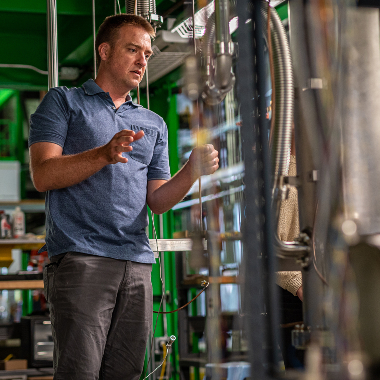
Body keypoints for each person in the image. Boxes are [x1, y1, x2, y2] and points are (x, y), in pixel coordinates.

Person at [28, 14, 219, 380]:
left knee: (127, 373)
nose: (142, 61)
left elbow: (159, 201)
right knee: (80, 373)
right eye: (133, 49)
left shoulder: (153, 122)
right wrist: (102, 154)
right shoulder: (64, 102)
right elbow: (43, 174)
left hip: (137, 263)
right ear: (104, 51)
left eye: (147, 53)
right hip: (82, 258)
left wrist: (191, 172)